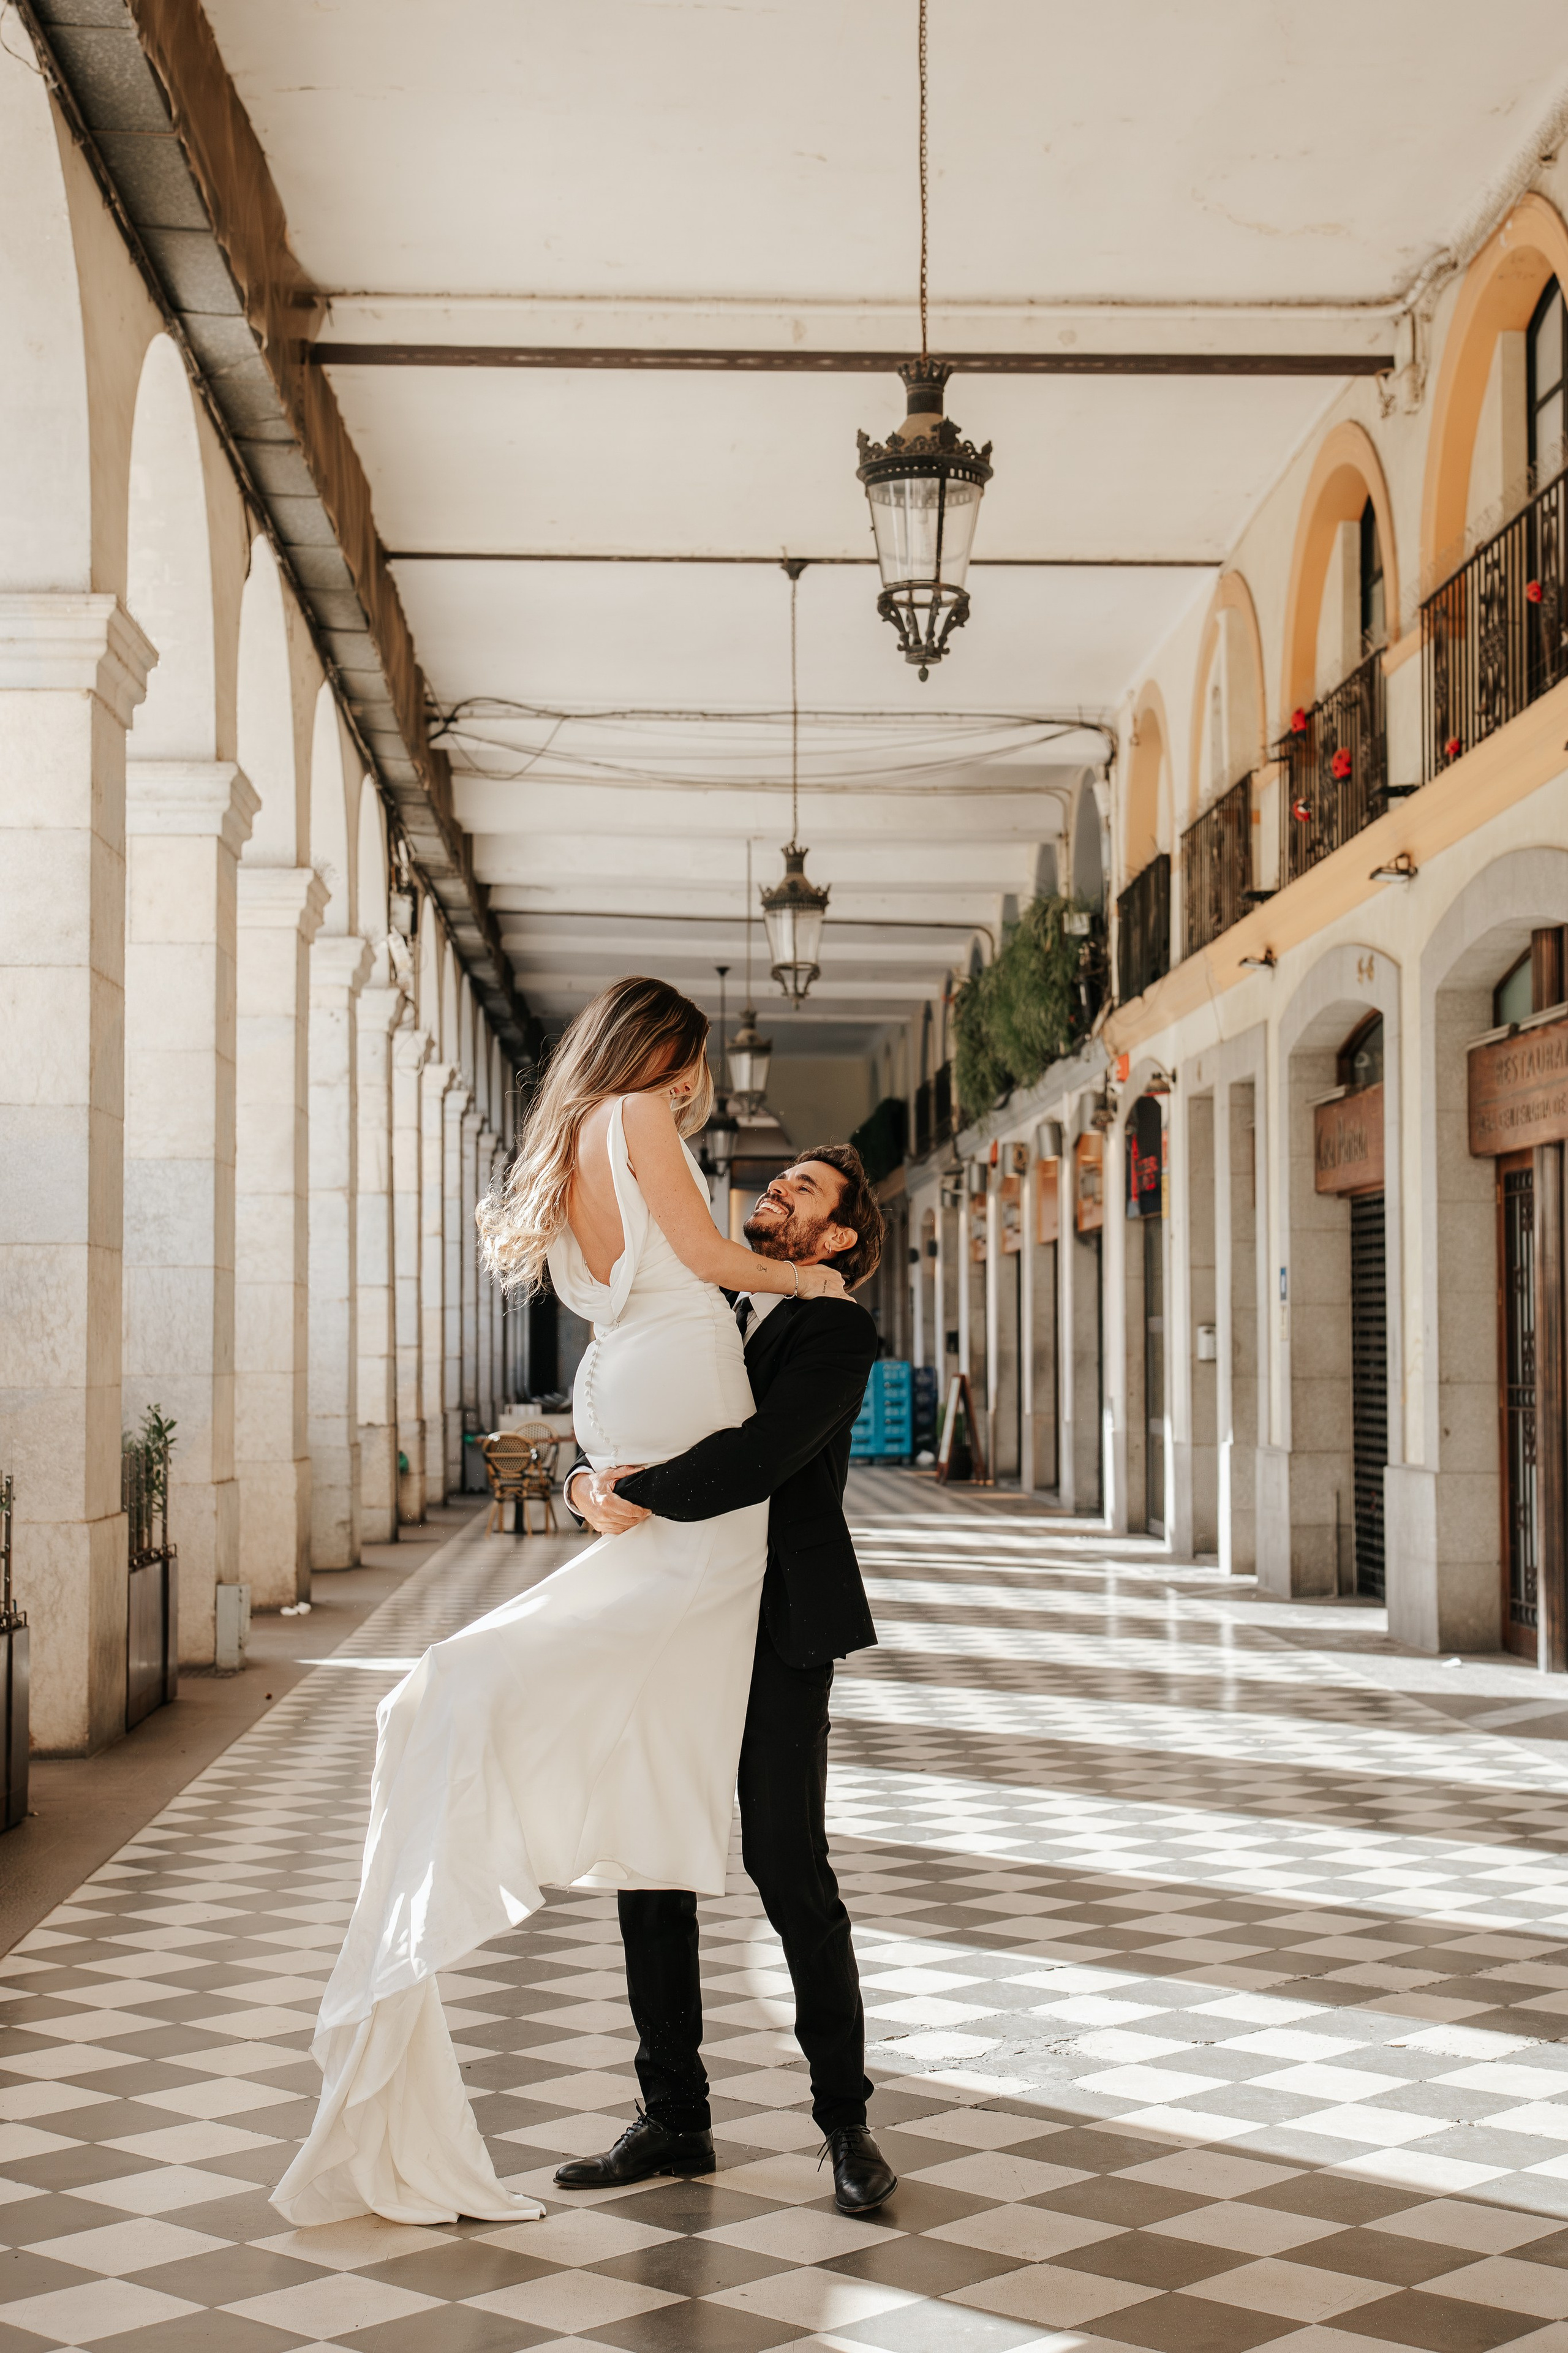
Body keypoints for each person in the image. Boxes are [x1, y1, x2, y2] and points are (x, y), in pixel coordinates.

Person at [271, 977, 846, 2229]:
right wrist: (807, 1286)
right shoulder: (637, 1117)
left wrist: (594, 1473)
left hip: (649, 1453)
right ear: (663, 1052)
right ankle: (680, 2104)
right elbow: (705, 1260)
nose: (692, 1088)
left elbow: (654, 1301)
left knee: (667, 1795)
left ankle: (707, 2112)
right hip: (689, 1495)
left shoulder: (571, 1141)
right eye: (689, 1064)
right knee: (651, 1783)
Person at [556, 1144, 899, 2218]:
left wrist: (639, 1489)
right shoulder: (697, 1298)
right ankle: (674, 2118)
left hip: (776, 1622)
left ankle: (845, 2123)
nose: (777, 1188)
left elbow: (763, 1456)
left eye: (804, 1189)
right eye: (778, 1177)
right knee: (649, 1855)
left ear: (836, 1237)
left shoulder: (836, 1328)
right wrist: (583, 1484)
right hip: (670, 1609)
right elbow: (614, 1404)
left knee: (788, 1866)